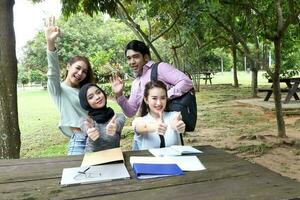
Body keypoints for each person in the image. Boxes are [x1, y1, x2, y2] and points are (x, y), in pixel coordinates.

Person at [45, 16, 95, 155]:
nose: (80, 73)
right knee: (76, 175)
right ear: (68, 66)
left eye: (84, 71)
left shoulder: (84, 91)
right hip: (79, 141)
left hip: (95, 139)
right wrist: (50, 42)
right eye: (77, 68)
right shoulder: (58, 90)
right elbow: (53, 71)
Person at [111, 40, 193, 118]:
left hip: (169, 123)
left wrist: (163, 97)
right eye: (129, 58)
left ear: (146, 57)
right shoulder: (136, 82)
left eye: (136, 57)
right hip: (149, 128)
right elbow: (130, 112)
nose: (132, 62)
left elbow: (186, 82)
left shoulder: (160, 68)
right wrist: (119, 95)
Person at [132, 80, 186, 150]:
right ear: (146, 100)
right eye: (154, 98)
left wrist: (178, 126)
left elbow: (175, 122)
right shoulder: (140, 120)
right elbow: (140, 127)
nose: (159, 103)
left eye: (163, 98)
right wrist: (154, 127)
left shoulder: (174, 115)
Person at [78, 83, 125, 152]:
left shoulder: (118, 117)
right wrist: (89, 131)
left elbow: (118, 124)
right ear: (86, 103)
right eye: (91, 97)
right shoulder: (86, 120)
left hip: (114, 157)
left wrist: (115, 126)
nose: (97, 97)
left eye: (98, 92)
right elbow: (85, 127)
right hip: (92, 159)